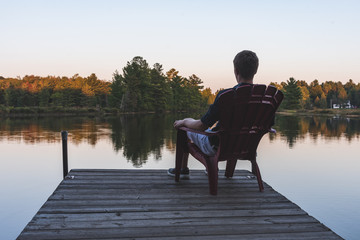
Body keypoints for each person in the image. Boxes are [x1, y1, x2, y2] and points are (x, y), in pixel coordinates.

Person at [167, 50, 259, 179]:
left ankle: (182, 169)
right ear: (255, 71)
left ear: (236, 71)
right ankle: (223, 171)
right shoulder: (261, 98)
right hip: (247, 147)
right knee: (214, 131)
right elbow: (267, 127)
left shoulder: (226, 96)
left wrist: (184, 121)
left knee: (184, 129)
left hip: (217, 147)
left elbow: (201, 126)